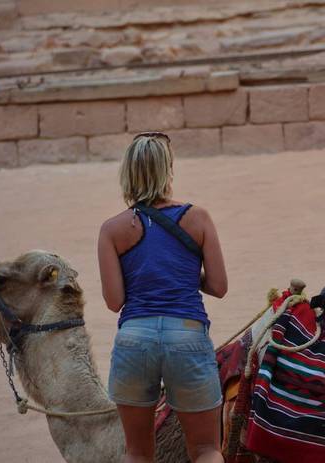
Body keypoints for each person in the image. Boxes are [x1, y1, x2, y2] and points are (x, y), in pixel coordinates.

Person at [98, 131, 227, 463]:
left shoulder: (111, 229)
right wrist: (180, 273)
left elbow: (115, 301)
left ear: (128, 172)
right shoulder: (197, 218)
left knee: (137, 453)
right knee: (206, 449)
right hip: (186, 333)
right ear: (168, 170)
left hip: (134, 337)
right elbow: (219, 286)